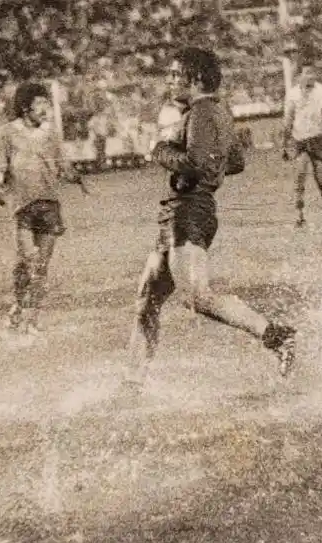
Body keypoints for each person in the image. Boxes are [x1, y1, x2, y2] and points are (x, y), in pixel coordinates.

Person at [127, 47, 297, 384]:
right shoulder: (217, 111)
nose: (170, 80)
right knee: (147, 298)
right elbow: (235, 162)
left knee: (198, 297)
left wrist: (159, 150)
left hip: (187, 211)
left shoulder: (201, 112)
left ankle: (277, 336)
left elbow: (197, 164)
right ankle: (132, 382)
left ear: (198, 78)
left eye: (177, 74)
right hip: (186, 211)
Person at [0, 81, 88, 334]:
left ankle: (30, 318)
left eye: (47, 103)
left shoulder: (51, 134)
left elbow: (63, 165)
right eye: (40, 104)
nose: (46, 109)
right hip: (22, 205)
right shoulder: (7, 133)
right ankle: (19, 307)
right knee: (26, 262)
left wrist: (76, 177)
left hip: (49, 204)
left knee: (41, 265)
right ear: (25, 108)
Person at [282, 56, 322, 228]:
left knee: (321, 179)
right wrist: (285, 142)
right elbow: (288, 118)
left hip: (318, 138)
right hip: (299, 139)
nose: (310, 76)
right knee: (300, 175)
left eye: (313, 73)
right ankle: (300, 216)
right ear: (300, 76)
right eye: (306, 73)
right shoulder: (293, 94)